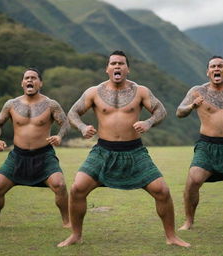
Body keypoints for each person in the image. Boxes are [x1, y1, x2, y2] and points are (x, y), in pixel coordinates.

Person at [57, 50, 190, 247]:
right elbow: (73, 112)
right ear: (107, 69)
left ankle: (171, 237)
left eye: (121, 63)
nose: (117, 66)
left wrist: (149, 122)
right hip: (103, 151)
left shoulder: (141, 91)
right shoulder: (93, 92)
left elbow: (161, 110)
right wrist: (83, 127)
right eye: (113, 63)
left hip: (134, 151)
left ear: (127, 69)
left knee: (161, 190)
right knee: (77, 189)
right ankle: (75, 235)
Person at [176, 56, 223, 230]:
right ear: (208, 72)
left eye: (220, 66)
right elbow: (179, 111)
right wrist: (191, 106)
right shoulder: (197, 91)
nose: (216, 69)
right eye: (213, 66)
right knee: (193, 180)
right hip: (207, 146)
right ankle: (189, 221)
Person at [0, 68, 70, 227]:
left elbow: (65, 123)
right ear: (22, 83)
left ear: (40, 83)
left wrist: (59, 136)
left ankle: (67, 222)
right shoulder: (11, 104)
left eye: (34, 78)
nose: (30, 80)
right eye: (27, 78)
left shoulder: (51, 104)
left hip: (44, 156)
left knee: (60, 185)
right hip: (17, 156)